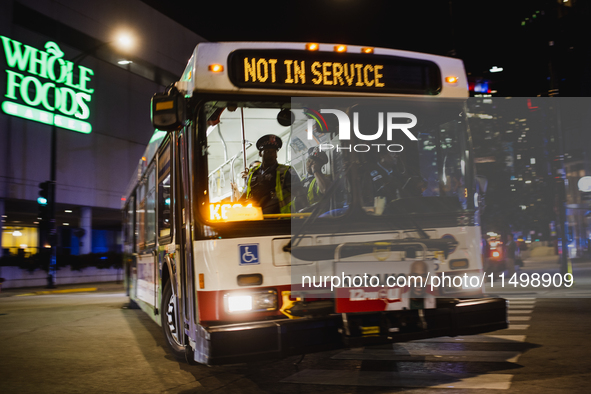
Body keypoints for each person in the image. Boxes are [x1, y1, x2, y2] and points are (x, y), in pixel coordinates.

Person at [241, 135, 301, 214]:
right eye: (267, 151)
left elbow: (299, 193)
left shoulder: (287, 171)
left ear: (276, 154)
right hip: (255, 218)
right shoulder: (253, 172)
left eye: (273, 152)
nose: (271, 154)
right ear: (260, 154)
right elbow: (246, 194)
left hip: (279, 219)